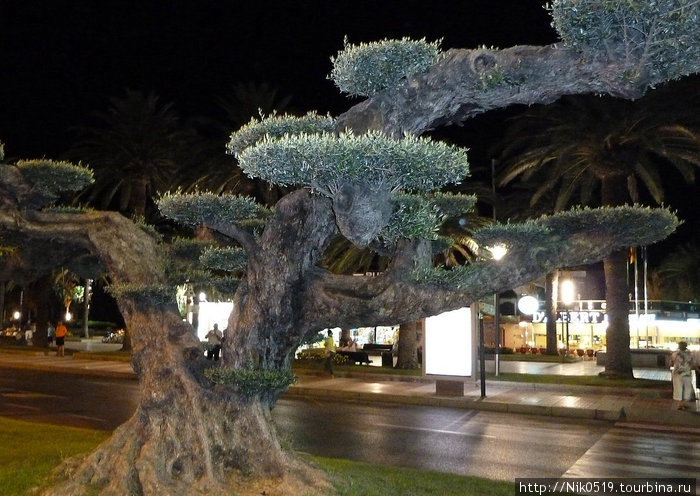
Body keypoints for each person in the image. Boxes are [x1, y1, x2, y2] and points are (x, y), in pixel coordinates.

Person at [670, 341, 696, 410]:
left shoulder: (674, 354)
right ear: (686, 346)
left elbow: (670, 363)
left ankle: (679, 405)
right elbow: (692, 364)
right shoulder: (690, 354)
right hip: (687, 374)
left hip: (677, 373)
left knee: (677, 389)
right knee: (687, 389)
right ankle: (684, 403)